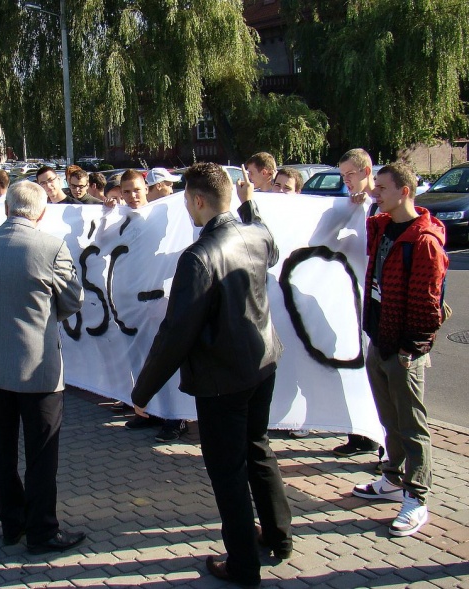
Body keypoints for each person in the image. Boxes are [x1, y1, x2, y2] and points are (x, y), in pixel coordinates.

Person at [131, 163, 292, 586]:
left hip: (224, 379)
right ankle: (278, 536)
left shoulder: (199, 256)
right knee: (258, 449)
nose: (186, 207)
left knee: (228, 471)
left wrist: (143, 390)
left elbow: (175, 333)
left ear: (198, 200)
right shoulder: (253, 233)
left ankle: (242, 564)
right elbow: (271, 244)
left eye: (186, 199)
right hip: (262, 363)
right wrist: (250, 206)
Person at [0, 180, 86, 554]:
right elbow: (73, 299)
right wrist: (49, 314)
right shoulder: (51, 246)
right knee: (41, 455)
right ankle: (42, 531)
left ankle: (11, 523)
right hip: (37, 367)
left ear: (6, 207)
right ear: (42, 211)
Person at [350, 162, 448, 537]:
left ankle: (416, 498)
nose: (376, 194)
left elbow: (428, 306)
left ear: (404, 191)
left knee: (412, 425)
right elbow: (362, 222)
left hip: (404, 348)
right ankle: (391, 479)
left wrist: (411, 349)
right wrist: (361, 203)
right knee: (389, 419)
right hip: (380, 338)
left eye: (382, 190)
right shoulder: (382, 226)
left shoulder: (423, 241)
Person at [118, 170, 188, 442]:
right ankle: (148, 411)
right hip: (129, 302)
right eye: (126, 191)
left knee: (164, 360)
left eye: (136, 190)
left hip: (157, 299)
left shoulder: (160, 215)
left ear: (145, 189)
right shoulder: (119, 221)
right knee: (139, 360)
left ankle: (176, 417)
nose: (132, 196)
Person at [332, 149, 383, 459]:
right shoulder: (355, 206)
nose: (346, 182)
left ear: (367, 172)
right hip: (357, 303)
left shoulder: (380, 207)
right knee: (359, 371)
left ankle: (387, 450)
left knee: (380, 376)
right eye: (343, 177)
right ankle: (361, 433)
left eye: (350, 175)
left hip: (380, 305)